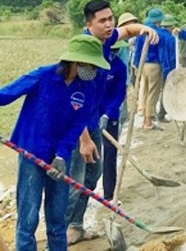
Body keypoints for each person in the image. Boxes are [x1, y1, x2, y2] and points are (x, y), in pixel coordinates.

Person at [0, 35, 109, 251]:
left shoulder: (88, 88)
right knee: (28, 218)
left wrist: (61, 155)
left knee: (57, 219)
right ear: (76, 62)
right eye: (92, 65)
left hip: (60, 158)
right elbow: (6, 95)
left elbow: (77, 125)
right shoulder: (43, 76)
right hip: (32, 152)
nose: (95, 70)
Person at [66, 0, 158, 246]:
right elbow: (72, 100)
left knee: (92, 175)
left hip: (94, 120)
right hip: (78, 125)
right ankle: (62, 231)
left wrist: (145, 30)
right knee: (76, 176)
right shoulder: (83, 51)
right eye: (102, 21)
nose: (109, 25)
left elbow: (128, 30)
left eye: (110, 19)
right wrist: (84, 138)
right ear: (88, 24)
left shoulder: (106, 42)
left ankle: (75, 225)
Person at [101, 39, 128, 201]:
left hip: (110, 117)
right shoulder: (93, 64)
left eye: (116, 50)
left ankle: (109, 194)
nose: (114, 53)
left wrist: (107, 114)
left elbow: (119, 95)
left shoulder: (119, 67)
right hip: (91, 116)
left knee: (110, 154)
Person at [133, 8, 165, 130]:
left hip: (143, 65)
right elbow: (162, 52)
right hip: (154, 65)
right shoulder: (159, 33)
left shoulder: (142, 32)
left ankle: (145, 119)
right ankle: (148, 121)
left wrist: (136, 65)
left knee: (145, 91)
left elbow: (137, 50)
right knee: (153, 93)